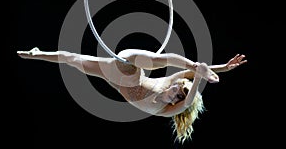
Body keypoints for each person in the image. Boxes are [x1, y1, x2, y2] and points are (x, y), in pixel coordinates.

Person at [17, 47, 247, 143]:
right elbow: (188, 76)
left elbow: (189, 99)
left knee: (72, 60)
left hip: (112, 78)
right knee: (142, 59)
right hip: (129, 71)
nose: (178, 89)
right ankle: (37, 53)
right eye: (181, 86)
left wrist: (199, 78)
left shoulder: (172, 109)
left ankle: (35, 55)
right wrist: (220, 68)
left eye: (181, 93)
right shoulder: (168, 82)